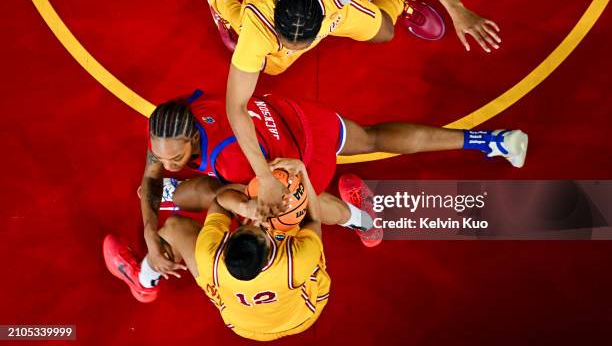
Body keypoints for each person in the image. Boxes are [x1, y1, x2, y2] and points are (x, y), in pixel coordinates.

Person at [205, 0, 503, 218]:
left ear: (319, 20)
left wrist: (457, 9)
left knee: (385, 32)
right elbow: (237, 106)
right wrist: (264, 177)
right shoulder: (259, 29)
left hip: (333, 15)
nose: (299, 49)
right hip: (261, 31)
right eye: (290, 42)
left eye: (303, 44)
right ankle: (222, 2)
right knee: (271, 65)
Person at [136, 89, 528, 285]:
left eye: (176, 158)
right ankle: (492, 141)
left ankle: (361, 219)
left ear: (191, 137)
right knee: (373, 138)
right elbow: (148, 181)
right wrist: (148, 230)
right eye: (162, 156)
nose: (168, 165)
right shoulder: (178, 120)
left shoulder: (228, 159)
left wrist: (249, 208)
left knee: (288, 212)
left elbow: (239, 199)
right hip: (300, 117)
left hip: (299, 157)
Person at [104, 159, 331, 341]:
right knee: (318, 203)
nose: (259, 222)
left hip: (242, 323)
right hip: (303, 314)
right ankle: (365, 217)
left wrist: (244, 204)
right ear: (271, 253)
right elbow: (313, 220)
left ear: (227, 242)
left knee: (175, 227)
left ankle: (143, 280)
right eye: (258, 227)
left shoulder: (210, 256)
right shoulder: (296, 260)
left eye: (252, 225)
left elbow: (221, 201)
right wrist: (302, 171)